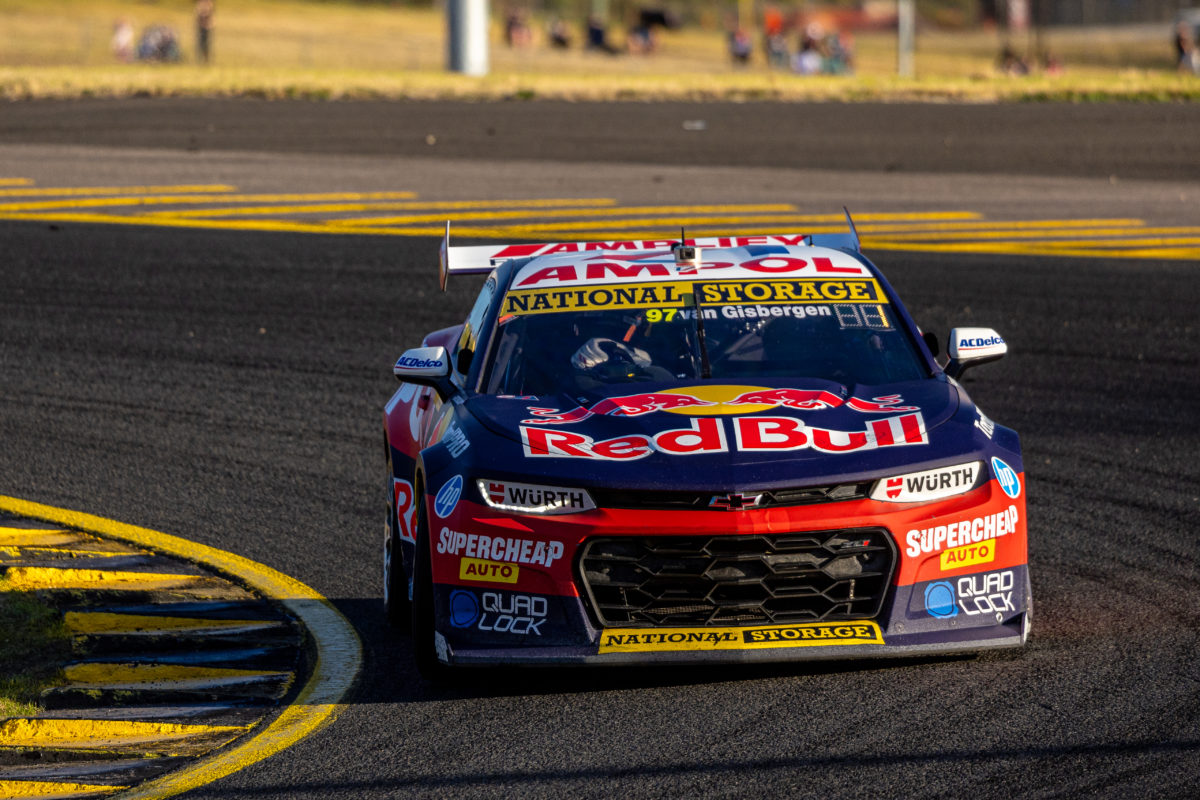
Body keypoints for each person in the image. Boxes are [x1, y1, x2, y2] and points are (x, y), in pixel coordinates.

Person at [195, 0, 214, 64]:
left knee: (206, 45)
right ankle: (200, 60)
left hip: (207, 27)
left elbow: (208, 13)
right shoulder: (200, 3)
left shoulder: (209, 3)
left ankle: (206, 60)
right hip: (201, 26)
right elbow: (198, 13)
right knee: (200, 44)